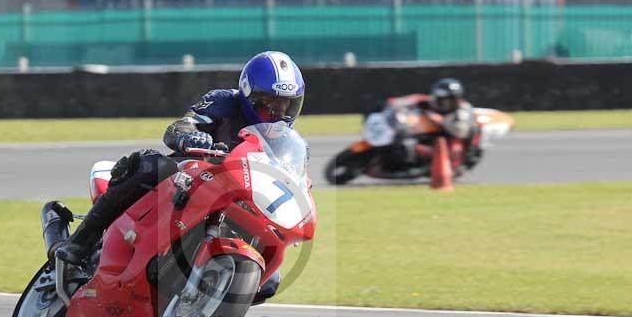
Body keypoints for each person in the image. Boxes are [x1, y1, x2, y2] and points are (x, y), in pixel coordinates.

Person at [55, 51, 306, 270]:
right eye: (270, 102)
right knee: (149, 164)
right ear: (249, 94)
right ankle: (80, 242)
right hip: (192, 177)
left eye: (286, 104)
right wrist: (190, 137)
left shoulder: (289, 143)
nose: (277, 111)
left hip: (239, 198)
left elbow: (294, 183)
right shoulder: (223, 101)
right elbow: (181, 126)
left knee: (271, 279)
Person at [363, 78, 478, 172]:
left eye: (452, 100)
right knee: (403, 136)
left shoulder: (463, 110)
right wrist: (388, 106)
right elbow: (399, 102)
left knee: (461, 140)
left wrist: (442, 122)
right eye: (444, 100)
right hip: (421, 131)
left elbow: (462, 131)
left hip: (449, 138)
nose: (447, 104)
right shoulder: (424, 101)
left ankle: (459, 162)